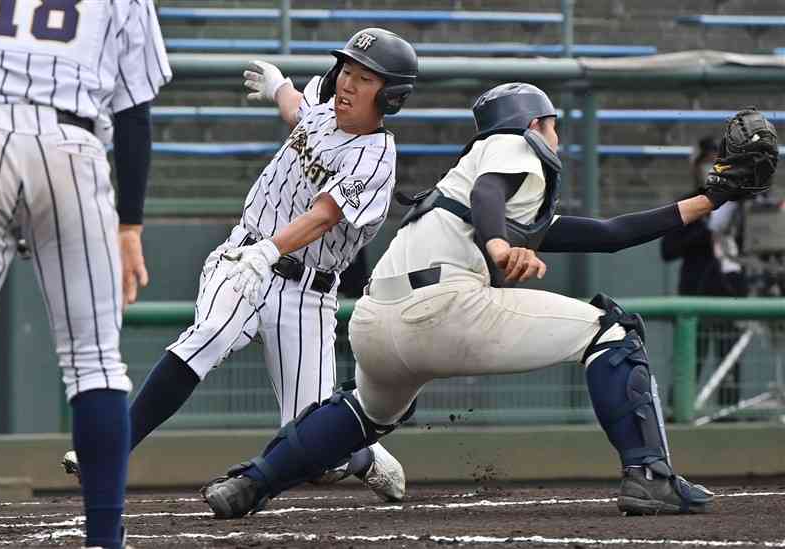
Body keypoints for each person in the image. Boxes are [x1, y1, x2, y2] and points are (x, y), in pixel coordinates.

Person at [200, 82, 755, 520]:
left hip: (376, 321)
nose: (556, 135)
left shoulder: (467, 183)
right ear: (533, 123)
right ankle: (651, 476)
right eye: (553, 124)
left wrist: (712, 197)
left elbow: (609, 232)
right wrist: (494, 243)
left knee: (365, 411)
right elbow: (493, 194)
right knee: (611, 331)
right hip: (440, 306)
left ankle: (251, 482)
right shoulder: (512, 149)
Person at [61, 28, 418, 502]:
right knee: (209, 333)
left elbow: (324, 216)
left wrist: (270, 250)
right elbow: (299, 112)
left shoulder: (376, 158)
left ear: (390, 96)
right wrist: (278, 87)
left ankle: (362, 457)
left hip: (306, 293)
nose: (349, 84)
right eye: (347, 70)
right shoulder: (325, 101)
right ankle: (107, 450)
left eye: (365, 78)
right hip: (242, 258)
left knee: (316, 443)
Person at [0, 0, 171, 547]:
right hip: (71, 144)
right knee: (94, 362)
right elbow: (135, 111)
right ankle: (103, 539)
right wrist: (130, 226)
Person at [661, 136, 747, 407]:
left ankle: (729, 416)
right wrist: (705, 228)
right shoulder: (686, 204)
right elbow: (668, 250)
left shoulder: (743, 204)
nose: (712, 168)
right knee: (689, 363)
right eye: (707, 162)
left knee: (730, 367)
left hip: (731, 296)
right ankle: (678, 416)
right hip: (695, 295)